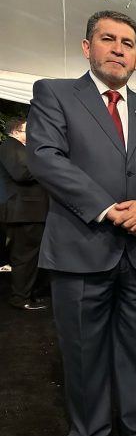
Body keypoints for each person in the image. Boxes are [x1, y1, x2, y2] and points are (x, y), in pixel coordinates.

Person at [26, 10, 136, 436]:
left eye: (127, 43)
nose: (118, 49)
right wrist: (107, 208)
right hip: (81, 248)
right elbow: (45, 158)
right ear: (87, 47)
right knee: (83, 351)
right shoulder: (54, 94)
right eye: (108, 39)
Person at [0, 117, 49, 310]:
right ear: (15, 131)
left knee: (29, 256)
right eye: (27, 130)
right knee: (24, 257)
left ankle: (28, 294)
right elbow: (21, 173)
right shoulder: (9, 146)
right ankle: (20, 298)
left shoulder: (17, 148)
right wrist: (48, 167)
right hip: (24, 211)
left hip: (29, 211)